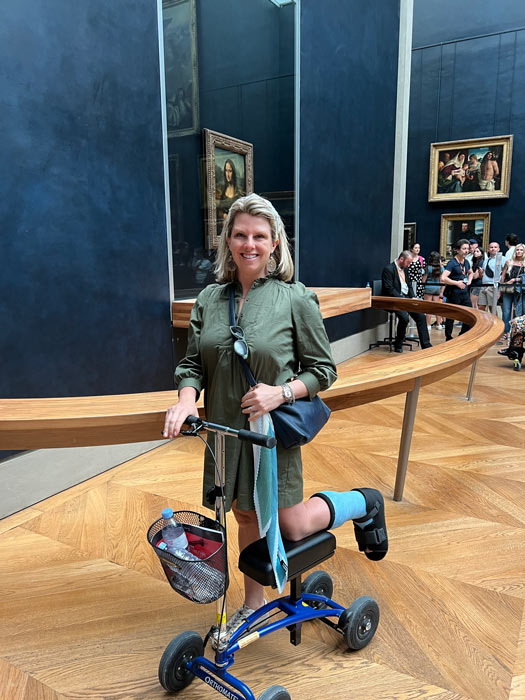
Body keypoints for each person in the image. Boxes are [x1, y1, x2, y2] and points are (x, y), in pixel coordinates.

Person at [163, 194, 388, 649]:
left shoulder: (294, 299)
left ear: (275, 243)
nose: (250, 244)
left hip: (270, 437)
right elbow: (191, 364)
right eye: (241, 234)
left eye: (259, 236)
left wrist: (280, 391)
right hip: (227, 433)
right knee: (244, 513)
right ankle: (252, 602)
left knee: (289, 525)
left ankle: (363, 502)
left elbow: (324, 370)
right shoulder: (208, 298)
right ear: (228, 240)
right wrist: (187, 400)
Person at [381, 251, 432, 352]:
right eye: (408, 262)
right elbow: (389, 288)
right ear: (401, 259)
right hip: (393, 300)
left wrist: (412, 297)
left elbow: (409, 285)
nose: (409, 265)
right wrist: (401, 298)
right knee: (404, 318)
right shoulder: (389, 269)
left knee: (421, 316)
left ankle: (426, 345)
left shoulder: (406, 269)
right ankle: (398, 344)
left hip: (405, 298)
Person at [440, 239, 473, 341]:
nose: (466, 251)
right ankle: (448, 337)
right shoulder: (452, 263)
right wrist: (456, 283)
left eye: (467, 249)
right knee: (451, 316)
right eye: (464, 249)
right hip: (454, 293)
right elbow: (443, 278)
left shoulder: (466, 262)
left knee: (470, 314)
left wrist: (469, 281)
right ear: (458, 250)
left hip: (464, 293)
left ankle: (462, 335)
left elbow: (471, 272)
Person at [500, 243, 525, 337]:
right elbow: (503, 275)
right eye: (517, 250)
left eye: (521, 250)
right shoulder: (509, 262)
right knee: (506, 310)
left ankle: (515, 332)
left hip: (520, 290)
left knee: (517, 311)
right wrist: (499, 289)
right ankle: (505, 332)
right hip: (507, 288)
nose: (519, 251)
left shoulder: (524, 263)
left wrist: (515, 279)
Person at [216, 159, 243, 232]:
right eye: (226, 170)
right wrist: (224, 216)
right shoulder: (221, 189)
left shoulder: (239, 192)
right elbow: (216, 210)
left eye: (230, 171)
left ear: (233, 172)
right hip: (223, 227)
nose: (227, 174)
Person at [422, 251, 445, 329]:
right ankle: (439, 324)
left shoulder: (428, 268)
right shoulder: (441, 268)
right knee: (436, 307)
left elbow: (423, 281)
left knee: (428, 307)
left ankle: (428, 325)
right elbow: (442, 280)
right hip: (437, 288)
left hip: (428, 288)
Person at [478, 242, 501, 314]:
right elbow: (482, 275)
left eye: (495, 247)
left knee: (492, 308)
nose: (493, 249)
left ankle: (495, 324)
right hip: (484, 285)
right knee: (481, 307)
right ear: (488, 249)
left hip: (493, 286)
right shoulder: (486, 260)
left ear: (498, 249)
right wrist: (481, 273)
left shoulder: (502, 259)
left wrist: (499, 290)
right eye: (491, 247)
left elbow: (503, 274)